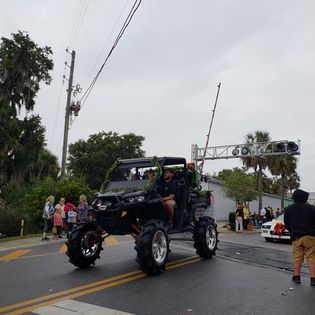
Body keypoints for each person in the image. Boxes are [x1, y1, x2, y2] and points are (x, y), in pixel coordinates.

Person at [284, 189, 315, 286]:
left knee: (297, 257)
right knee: (311, 257)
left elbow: (286, 224)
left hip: (296, 237)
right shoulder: (312, 208)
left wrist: (292, 231)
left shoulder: (289, 209)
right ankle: (313, 279)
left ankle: (296, 277)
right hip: (310, 236)